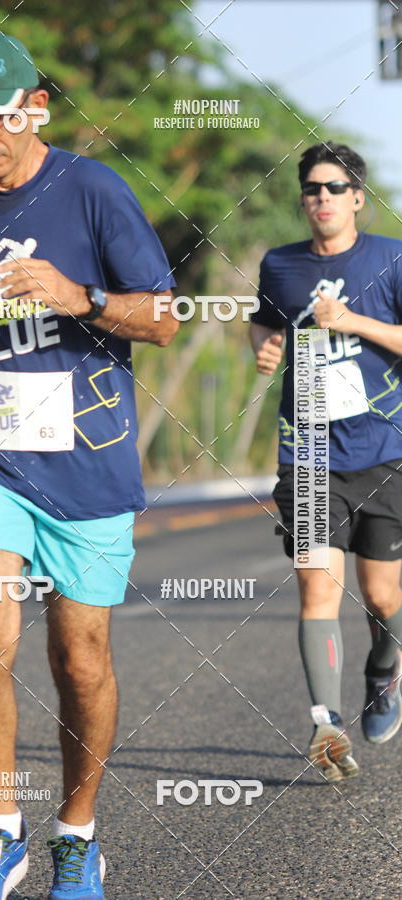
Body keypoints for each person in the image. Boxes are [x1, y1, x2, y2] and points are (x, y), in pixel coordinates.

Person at [0, 28, 177, 900]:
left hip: (85, 460)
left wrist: (81, 297)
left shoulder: (94, 190)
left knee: (81, 659)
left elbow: (164, 318)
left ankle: (77, 833)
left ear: (36, 107)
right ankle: (1, 829)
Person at [250, 141, 402, 783]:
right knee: (318, 586)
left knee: (380, 593)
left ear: (359, 198)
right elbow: (263, 323)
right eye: (312, 188)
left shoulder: (391, 257)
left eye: (335, 188)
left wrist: (354, 322)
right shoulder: (280, 265)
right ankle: (325, 722)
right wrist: (263, 348)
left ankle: (385, 672)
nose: (322, 198)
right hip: (308, 452)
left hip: (385, 452)